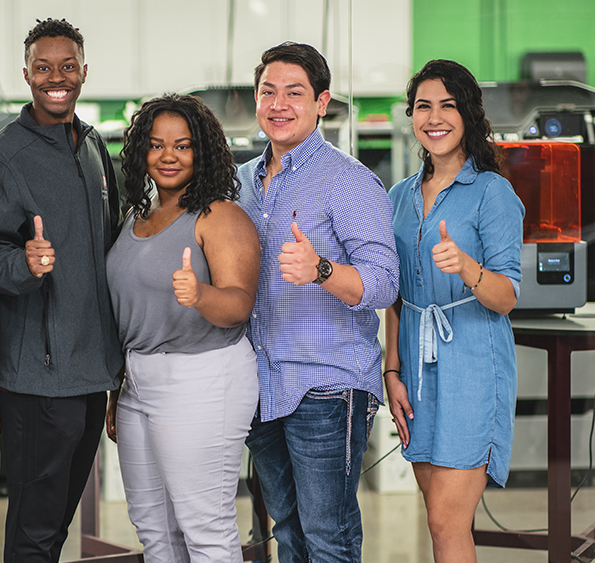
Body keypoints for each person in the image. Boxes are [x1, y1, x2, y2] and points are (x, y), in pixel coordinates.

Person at [237, 42, 400, 562]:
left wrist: (322, 270)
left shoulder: (347, 180)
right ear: (255, 98)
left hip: (325, 387)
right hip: (260, 383)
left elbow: (383, 283)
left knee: (328, 538)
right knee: (287, 531)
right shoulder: (239, 182)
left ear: (322, 101)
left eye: (295, 93)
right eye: (268, 92)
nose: (279, 104)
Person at [0, 18, 123, 563]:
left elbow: (110, 242)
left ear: (84, 71)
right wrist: (25, 263)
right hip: (39, 373)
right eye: (42, 67)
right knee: (35, 527)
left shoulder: (95, 145)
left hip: (91, 368)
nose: (56, 78)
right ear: (26, 74)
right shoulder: (2, 158)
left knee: (57, 524)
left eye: (67, 66)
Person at [104, 94, 259, 562]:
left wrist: (201, 294)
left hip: (202, 378)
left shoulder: (220, 215)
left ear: (203, 152)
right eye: (155, 145)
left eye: (183, 145)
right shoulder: (138, 214)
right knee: (153, 531)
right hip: (138, 382)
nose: (168, 155)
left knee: (205, 529)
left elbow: (239, 305)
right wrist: (117, 389)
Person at [384, 59, 523, 563]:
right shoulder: (398, 197)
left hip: (472, 366)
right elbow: (396, 294)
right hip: (416, 373)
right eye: (424, 106)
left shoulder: (493, 193)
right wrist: (392, 371)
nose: (434, 117)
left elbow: (507, 296)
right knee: (437, 518)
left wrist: (467, 267)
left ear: (469, 115)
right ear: (412, 116)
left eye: (448, 105)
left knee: (447, 521)